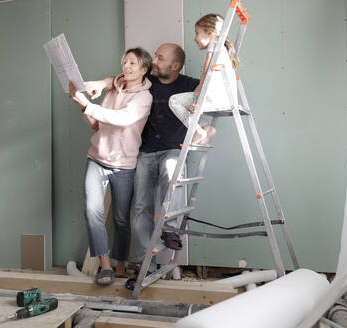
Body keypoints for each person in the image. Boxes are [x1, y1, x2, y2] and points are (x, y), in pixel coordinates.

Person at [87, 43, 199, 289]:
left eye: (160, 57)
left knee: (172, 173)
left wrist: (206, 129)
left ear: (175, 65)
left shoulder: (188, 84)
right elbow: (114, 80)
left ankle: (170, 230)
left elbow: (209, 91)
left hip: (172, 149)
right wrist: (99, 83)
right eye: (155, 57)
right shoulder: (148, 81)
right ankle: (146, 262)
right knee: (140, 209)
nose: (155, 61)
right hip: (145, 152)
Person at [68, 47, 153, 286]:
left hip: (124, 165)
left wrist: (87, 104)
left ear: (144, 69)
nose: (126, 67)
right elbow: (97, 125)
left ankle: (122, 265)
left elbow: (122, 119)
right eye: (125, 62)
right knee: (92, 212)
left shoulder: (144, 98)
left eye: (132, 63)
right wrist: (81, 105)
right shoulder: (114, 89)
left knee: (121, 219)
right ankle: (105, 267)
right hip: (96, 159)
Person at [168, 13, 241, 145]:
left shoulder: (213, 47)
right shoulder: (225, 50)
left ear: (210, 33)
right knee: (188, 106)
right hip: (226, 98)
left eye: (197, 33)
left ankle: (198, 130)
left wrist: (199, 98)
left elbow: (206, 74)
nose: (195, 38)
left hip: (212, 99)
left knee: (174, 101)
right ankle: (205, 129)